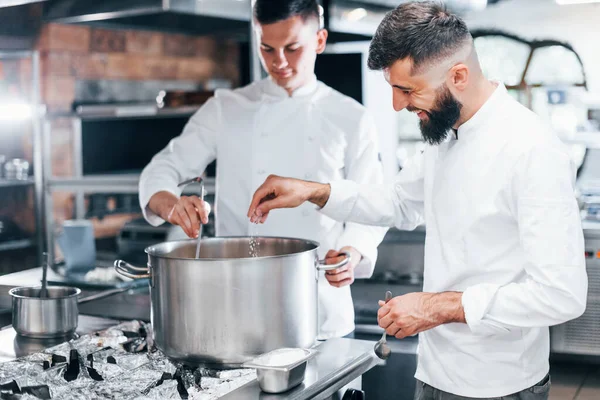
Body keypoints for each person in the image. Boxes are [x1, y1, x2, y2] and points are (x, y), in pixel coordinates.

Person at [246, 2, 588, 399]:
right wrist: (313, 191)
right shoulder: (448, 134)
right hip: (434, 375)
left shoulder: (531, 148)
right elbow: (399, 202)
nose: (396, 104)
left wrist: (437, 307)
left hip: (499, 387)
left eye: (407, 90)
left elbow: (561, 294)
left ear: (458, 75)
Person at [139, 0, 387, 340]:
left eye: (292, 48)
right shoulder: (227, 109)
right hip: (237, 307)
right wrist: (171, 204)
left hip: (319, 307)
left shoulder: (351, 117)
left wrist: (352, 251)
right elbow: (162, 168)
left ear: (319, 40)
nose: (279, 62)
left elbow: (370, 203)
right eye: (267, 48)